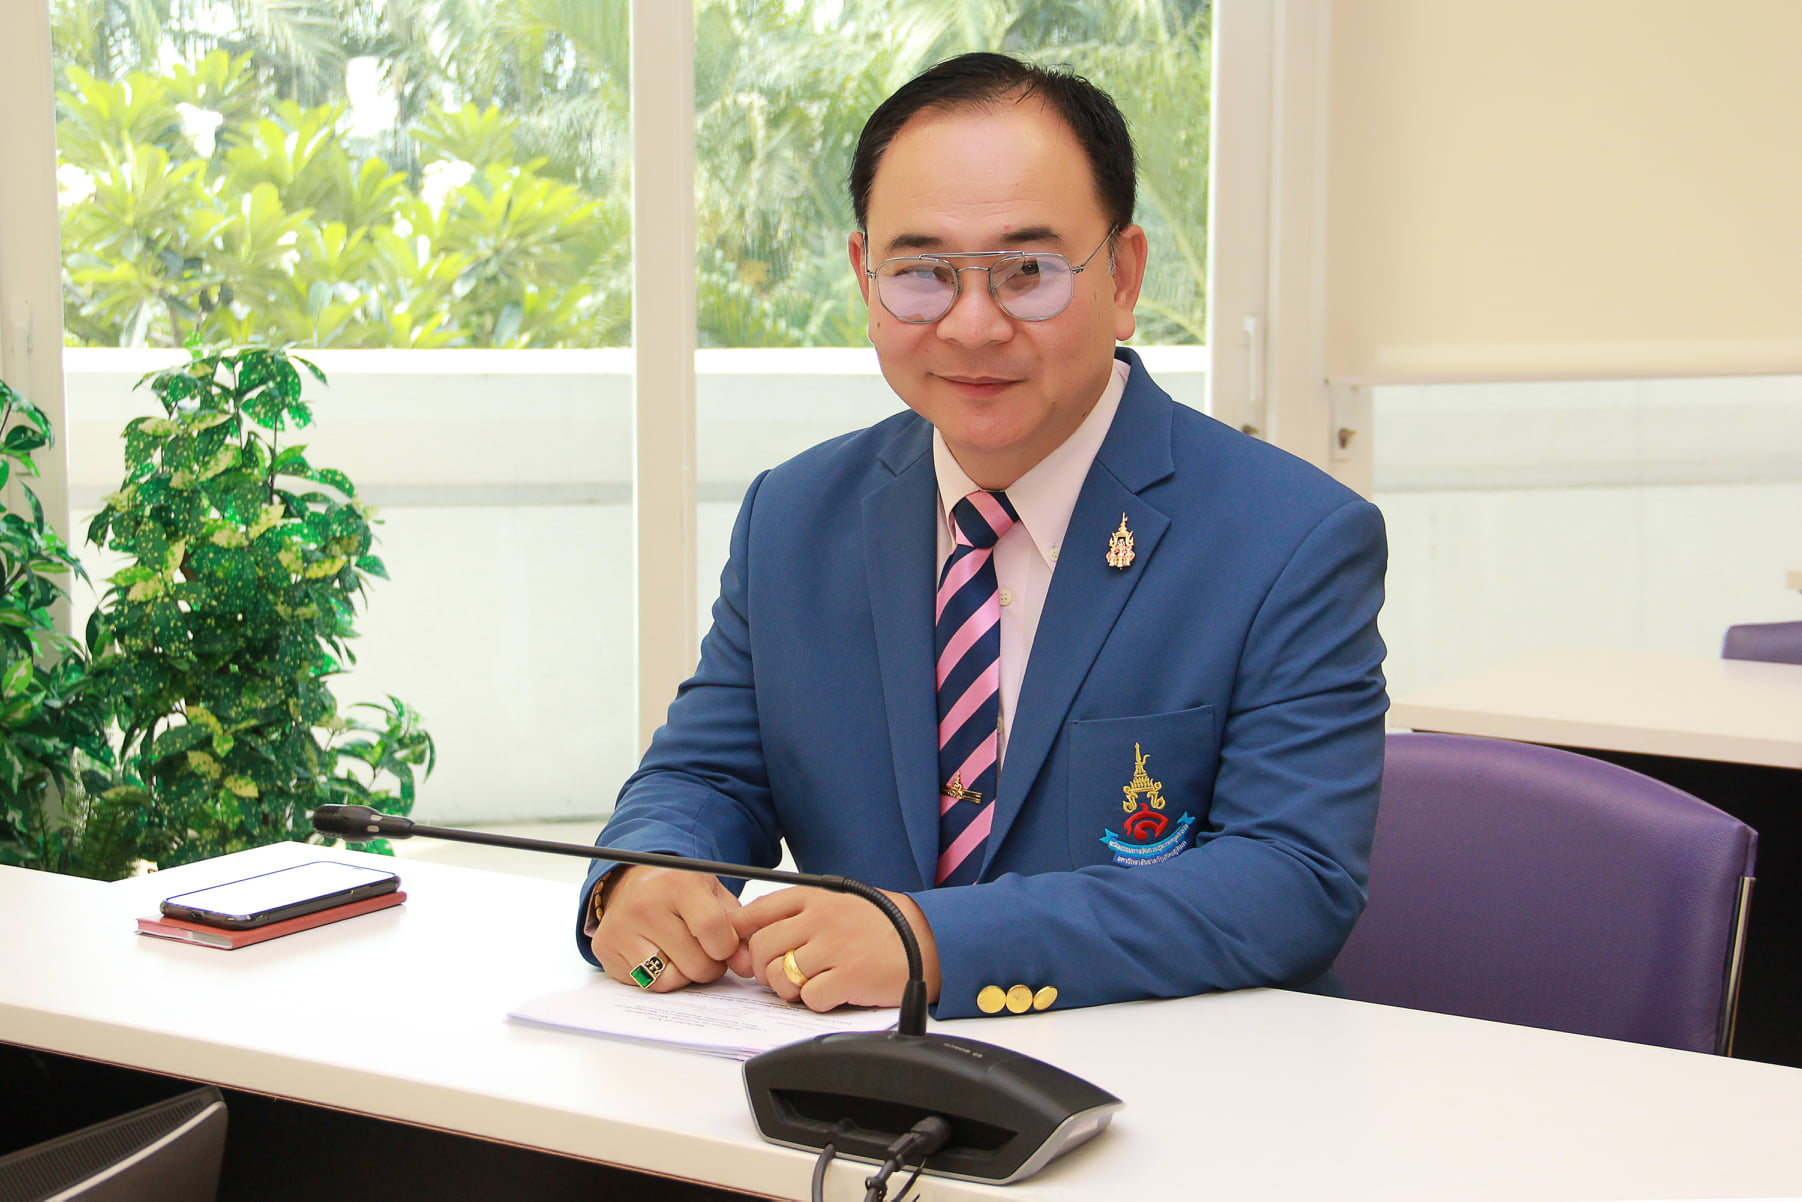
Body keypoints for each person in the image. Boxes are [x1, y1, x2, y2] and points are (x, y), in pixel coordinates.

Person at [575, 52, 1387, 1020]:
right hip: (849, 1084)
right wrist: (642, 876)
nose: (970, 325)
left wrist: (932, 942)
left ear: (1123, 275)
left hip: (1170, 1086)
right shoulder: (793, 518)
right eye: (922, 273)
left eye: (1026, 272)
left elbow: (1288, 879)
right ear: (865, 277)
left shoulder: (1290, 539)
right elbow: (704, 776)